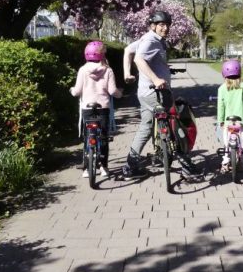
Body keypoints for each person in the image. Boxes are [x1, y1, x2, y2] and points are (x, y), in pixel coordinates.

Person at [121, 10, 174, 178]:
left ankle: (131, 165)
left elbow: (128, 50)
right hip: (155, 92)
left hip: (144, 92)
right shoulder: (151, 40)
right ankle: (178, 155)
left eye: (167, 25)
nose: (165, 28)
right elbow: (138, 59)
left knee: (146, 126)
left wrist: (126, 73)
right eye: (161, 25)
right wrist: (156, 78)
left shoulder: (148, 38)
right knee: (173, 114)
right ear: (153, 26)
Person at [70, 40, 122, 178]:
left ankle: (86, 169)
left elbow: (76, 92)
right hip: (103, 108)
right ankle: (104, 167)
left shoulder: (82, 70)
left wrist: (71, 90)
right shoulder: (108, 70)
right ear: (102, 54)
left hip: (87, 108)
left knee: (88, 137)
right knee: (103, 137)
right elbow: (112, 91)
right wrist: (120, 93)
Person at [216, 59, 243, 173]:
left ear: (224, 74)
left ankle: (225, 163)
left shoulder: (221, 88)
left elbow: (220, 106)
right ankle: (240, 161)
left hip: (228, 121)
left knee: (226, 142)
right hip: (240, 120)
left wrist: (220, 120)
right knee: (241, 140)